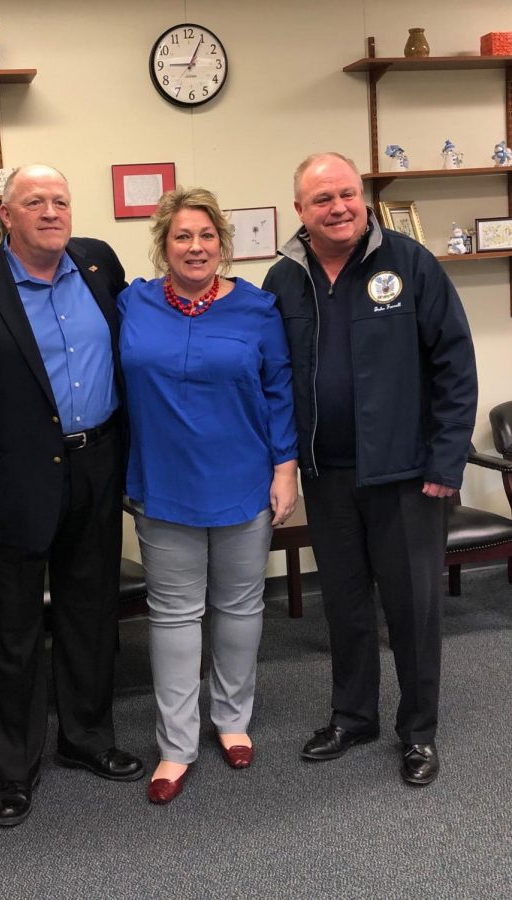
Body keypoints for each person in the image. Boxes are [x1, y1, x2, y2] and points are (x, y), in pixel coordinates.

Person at [0, 164, 144, 828]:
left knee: (89, 614)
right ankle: (15, 769)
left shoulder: (100, 265)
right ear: (6, 216)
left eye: (61, 200)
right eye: (34, 202)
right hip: (10, 484)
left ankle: (86, 739)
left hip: (97, 466)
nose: (51, 211)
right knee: (13, 633)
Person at [263, 152, 477, 786]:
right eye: (323, 198)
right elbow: (275, 377)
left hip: (407, 476)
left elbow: (455, 367)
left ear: (363, 199)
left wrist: (446, 461)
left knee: (413, 608)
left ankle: (418, 733)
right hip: (326, 475)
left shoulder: (410, 264)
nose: (339, 207)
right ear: (300, 210)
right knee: (347, 605)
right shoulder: (284, 280)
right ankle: (353, 716)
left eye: (348, 194)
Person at [118, 187, 299, 804]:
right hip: (163, 485)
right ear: (163, 245)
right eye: (181, 236)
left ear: (222, 244)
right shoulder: (131, 303)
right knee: (173, 616)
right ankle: (175, 745)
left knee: (241, 607)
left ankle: (232, 718)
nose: (195, 247)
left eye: (206, 236)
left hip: (243, 480)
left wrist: (285, 468)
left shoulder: (257, 308)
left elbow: (279, 389)